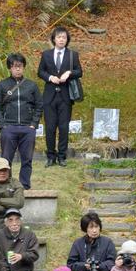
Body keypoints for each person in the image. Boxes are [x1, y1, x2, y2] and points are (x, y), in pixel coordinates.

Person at [0, 53, 42, 189]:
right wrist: (2, 125)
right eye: (15, 66)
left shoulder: (32, 85)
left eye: (20, 66)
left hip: (27, 128)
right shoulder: (2, 85)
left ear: (24, 67)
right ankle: (7, 184)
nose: (18, 69)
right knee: (6, 160)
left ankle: (24, 185)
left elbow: (39, 105)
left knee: (27, 159)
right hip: (9, 128)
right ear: (10, 68)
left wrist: (34, 124)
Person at [37, 25, 83, 167]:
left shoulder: (72, 55)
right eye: (59, 37)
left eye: (64, 37)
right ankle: (50, 156)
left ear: (67, 39)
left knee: (64, 128)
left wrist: (69, 73)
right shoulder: (46, 54)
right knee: (50, 128)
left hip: (65, 96)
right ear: (54, 39)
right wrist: (50, 77)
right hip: (49, 96)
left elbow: (79, 72)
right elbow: (40, 72)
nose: (61, 39)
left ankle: (62, 156)